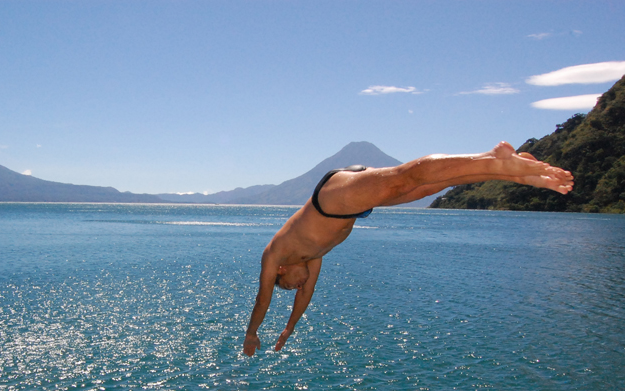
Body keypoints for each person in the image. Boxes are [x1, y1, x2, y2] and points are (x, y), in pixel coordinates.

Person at [243, 141, 574, 356]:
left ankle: (491, 158)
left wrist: (252, 333)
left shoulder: (275, 254)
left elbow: (262, 298)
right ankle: (506, 170)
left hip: (333, 199)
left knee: (407, 177)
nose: (296, 286)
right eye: (294, 287)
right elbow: (307, 295)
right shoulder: (311, 257)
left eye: (288, 284)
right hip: (353, 206)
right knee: (430, 186)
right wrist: (289, 328)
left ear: (282, 272)